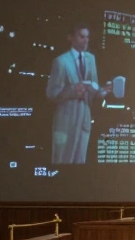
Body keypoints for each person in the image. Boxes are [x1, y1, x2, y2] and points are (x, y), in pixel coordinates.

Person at [46, 24, 110, 164]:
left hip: (84, 120)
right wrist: (73, 91)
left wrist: (101, 92)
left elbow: (94, 87)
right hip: (66, 121)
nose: (86, 40)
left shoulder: (91, 59)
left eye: (87, 37)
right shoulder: (61, 62)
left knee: (80, 163)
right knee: (62, 161)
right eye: (82, 36)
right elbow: (51, 93)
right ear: (71, 38)